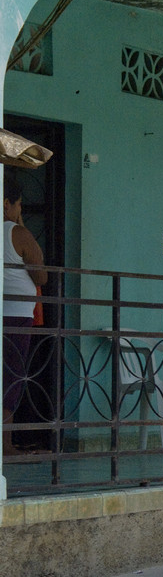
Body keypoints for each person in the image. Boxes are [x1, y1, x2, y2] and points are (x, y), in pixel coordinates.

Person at [3, 175, 47, 454]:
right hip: (17, 315)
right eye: (19, 205)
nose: (20, 210)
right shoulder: (17, 233)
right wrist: (20, 226)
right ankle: (5, 444)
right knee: (12, 376)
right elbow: (41, 275)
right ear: (8, 204)